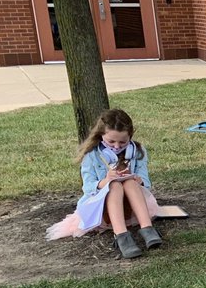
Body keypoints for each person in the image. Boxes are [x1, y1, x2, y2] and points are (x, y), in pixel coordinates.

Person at [45, 108, 162, 259]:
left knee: (129, 183)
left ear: (130, 137)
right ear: (101, 136)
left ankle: (147, 229)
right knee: (114, 185)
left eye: (123, 142)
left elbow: (146, 181)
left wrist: (139, 180)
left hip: (132, 205)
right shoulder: (92, 154)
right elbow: (87, 187)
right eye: (111, 141)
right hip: (102, 209)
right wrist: (105, 181)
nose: (117, 146)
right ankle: (121, 236)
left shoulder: (138, 152)